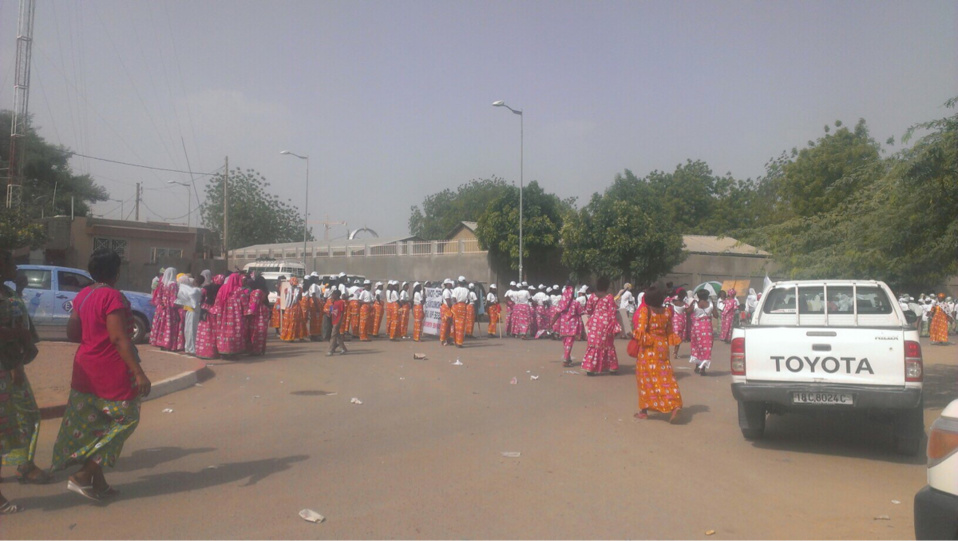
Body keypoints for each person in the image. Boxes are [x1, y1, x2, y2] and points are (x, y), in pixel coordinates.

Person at [55, 248, 152, 501]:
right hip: (111, 372)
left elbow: (72, 334)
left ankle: (98, 483)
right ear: (117, 273)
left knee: (96, 426)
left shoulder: (84, 295)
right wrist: (139, 373)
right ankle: (83, 475)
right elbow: (119, 338)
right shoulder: (112, 296)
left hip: (85, 370)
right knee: (127, 418)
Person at [0, 250, 49, 514]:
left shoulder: (8, 293)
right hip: (6, 367)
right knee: (27, 416)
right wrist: (16, 361)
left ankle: (24, 464)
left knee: (22, 417)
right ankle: (25, 466)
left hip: (10, 365)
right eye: (8, 259)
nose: (14, 264)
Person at [632, 283, 683, 423]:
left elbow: (641, 331)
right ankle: (674, 404)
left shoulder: (645, 311)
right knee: (666, 377)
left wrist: (634, 334)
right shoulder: (667, 312)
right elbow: (670, 331)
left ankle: (644, 411)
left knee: (645, 379)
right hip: (663, 347)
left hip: (648, 348)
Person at [581, 277, 621, 376]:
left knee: (594, 344)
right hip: (606, 322)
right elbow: (612, 312)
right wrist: (615, 326)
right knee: (608, 344)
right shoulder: (609, 297)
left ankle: (591, 368)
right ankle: (612, 367)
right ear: (607, 286)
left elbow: (588, 311)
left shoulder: (592, 297)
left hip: (594, 322)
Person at [216, 273, 250, 356]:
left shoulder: (222, 288)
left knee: (224, 332)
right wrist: (247, 312)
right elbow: (244, 303)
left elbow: (217, 301)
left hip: (223, 315)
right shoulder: (239, 290)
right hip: (236, 316)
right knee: (235, 332)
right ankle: (233, 352)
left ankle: (223, 351)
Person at [551, 283, 584, 367]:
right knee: (569, 343)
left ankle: (567, 358)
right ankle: (566, 360)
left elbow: (557, 314)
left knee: (565, 343)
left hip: (563, 326)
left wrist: (551, 324)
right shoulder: (576, 303)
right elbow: (580, 313)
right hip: (572, 325)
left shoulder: (561, 304)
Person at [689, 288, 718, 375]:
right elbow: (716, 316)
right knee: (707, 347)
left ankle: (697, 366)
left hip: (696, 329)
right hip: (707, 328)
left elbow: (687, 312)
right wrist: (713, 306)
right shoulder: (710, 304)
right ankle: (703, 368)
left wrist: (691, 304)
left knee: (697, 347)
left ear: (698, 296)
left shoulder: (695, 304)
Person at [150, 267, 180, 350]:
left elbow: (158, 297)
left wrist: (160, 305)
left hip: (161, 307)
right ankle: (167, 344)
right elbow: (174, 299)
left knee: (160, 324)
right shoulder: (173, 285)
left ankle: (159, 342)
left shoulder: (162, 284)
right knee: (169, 325)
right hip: (169, 309)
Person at [175, 274, 202, 355]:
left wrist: (185, 289)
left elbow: (191, 295)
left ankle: (192, 349)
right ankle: (188, 348)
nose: (193, 281)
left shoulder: (197, 290)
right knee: (187, 330)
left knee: (192, 330)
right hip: (189, 311)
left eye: (195, 280)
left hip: (194, 312)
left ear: (197, 282)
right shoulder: (194, 289)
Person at [195, 275, 221, 360]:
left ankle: (202, 352)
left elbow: (200, 297)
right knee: (213, 332)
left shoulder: (206, 288)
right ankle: (212, 352)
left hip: (205, 310)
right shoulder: (221, 289)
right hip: (215, 311)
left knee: (203, 331)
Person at [246, 275, 271, 355]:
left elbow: (255, 303)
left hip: (257, 313)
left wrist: (250, 312)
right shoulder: (264, 290)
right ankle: (260, 349)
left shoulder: (257, 291)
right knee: (262, 331)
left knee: (255, 331)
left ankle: (255, 350)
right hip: (263, 311)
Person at [668, 289, 688, 360]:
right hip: (682, 321)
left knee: (675, 337)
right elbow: (687, 311)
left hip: (675, 321)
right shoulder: (685, 304)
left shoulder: (674, 301)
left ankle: (673, 352)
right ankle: (675, 352)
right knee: (679, 338)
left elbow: (667, 301)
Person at [326, 290, 348, 356]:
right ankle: (343, 348)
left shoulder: (341, 302)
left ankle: (330, 350)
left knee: (333, 335)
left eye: (333, 295)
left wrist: (339, 321)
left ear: (337, 295)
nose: (332, 296)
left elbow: (341, 313)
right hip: (333, 320)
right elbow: (331, 311)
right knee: (338, 336)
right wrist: (331, 305)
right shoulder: (334, 302)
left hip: (337, 321)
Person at [451, 277, 470, 348]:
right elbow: (468, 300)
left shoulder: (455, 290)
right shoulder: (467, 290)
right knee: (461, 326)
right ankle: (460, 342)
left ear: (458, 282)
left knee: (455, 325)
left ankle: (456, 341)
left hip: (456, 306)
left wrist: (455, 305)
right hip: (463, 307)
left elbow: (453, 299)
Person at [439, 280, 455, 345]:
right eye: (449, 283)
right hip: (446, 309)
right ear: (446, 284)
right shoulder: (446, 292)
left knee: (449, 325)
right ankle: (442, 339)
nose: (451, 284)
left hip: (449, 309)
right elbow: (448, 302)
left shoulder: (450, 291)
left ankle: (448, 339)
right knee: (445, 325)